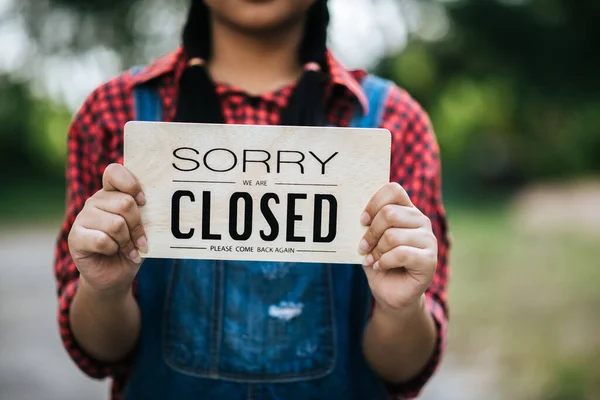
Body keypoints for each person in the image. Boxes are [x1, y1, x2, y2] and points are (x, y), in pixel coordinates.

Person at [54, 0, 450, 399]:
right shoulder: (110, 115)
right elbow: (100, 353)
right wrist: (104, 288)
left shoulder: (396, 123)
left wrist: (400, 308)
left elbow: (403, 369)